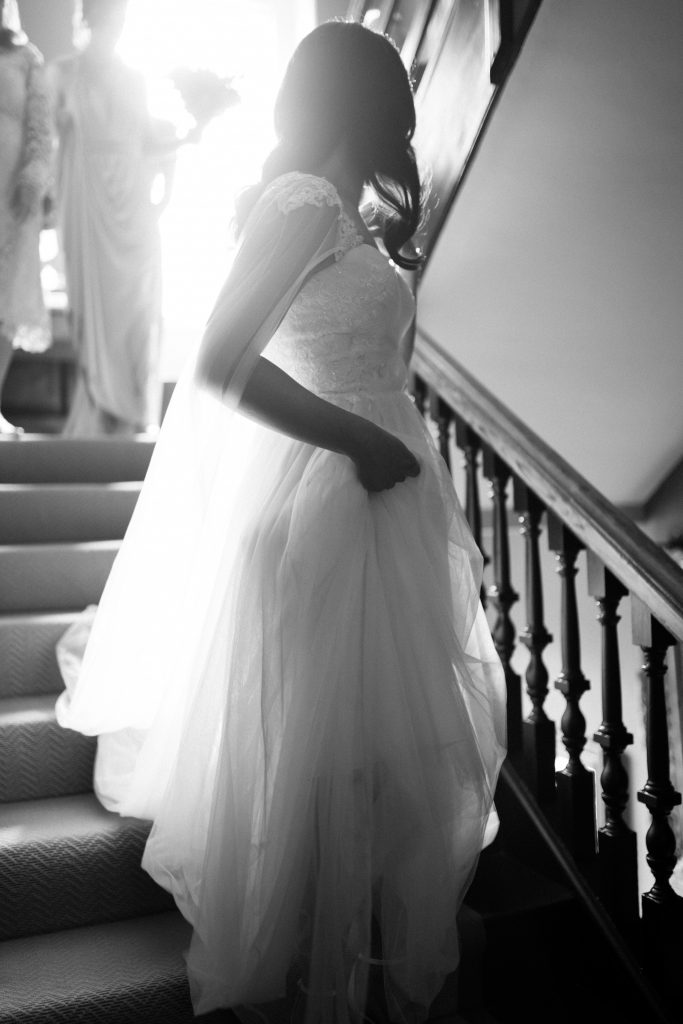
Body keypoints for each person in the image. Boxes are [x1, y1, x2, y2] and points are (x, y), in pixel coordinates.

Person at [55, 20, 506, 1024]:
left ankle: (354, 969)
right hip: (323, 509)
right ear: (363, 100)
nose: (408, 112)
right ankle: (311, 979)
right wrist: (355, 440)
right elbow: (219, 362)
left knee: (365, 772)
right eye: (396, 93)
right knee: (314, 770)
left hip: (381, 514)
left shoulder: (350, 220)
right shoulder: (299, 201)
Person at [46, 0, 174, 436]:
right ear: (90, 21)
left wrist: (185, 139)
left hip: (132, 206)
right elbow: (45, 144)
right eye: (109, 20)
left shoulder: (135, 79)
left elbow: (150, 141)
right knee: (95, 314)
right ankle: (101, 413)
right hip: (87, 205)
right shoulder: (63, 73)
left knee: (138, 309)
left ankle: (132, 412)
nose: (115, 29)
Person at [0, 0, 52, 435]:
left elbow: (41, 126)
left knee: (7, 295)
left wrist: (34, 174)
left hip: (10, 191)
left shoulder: (26, 58)